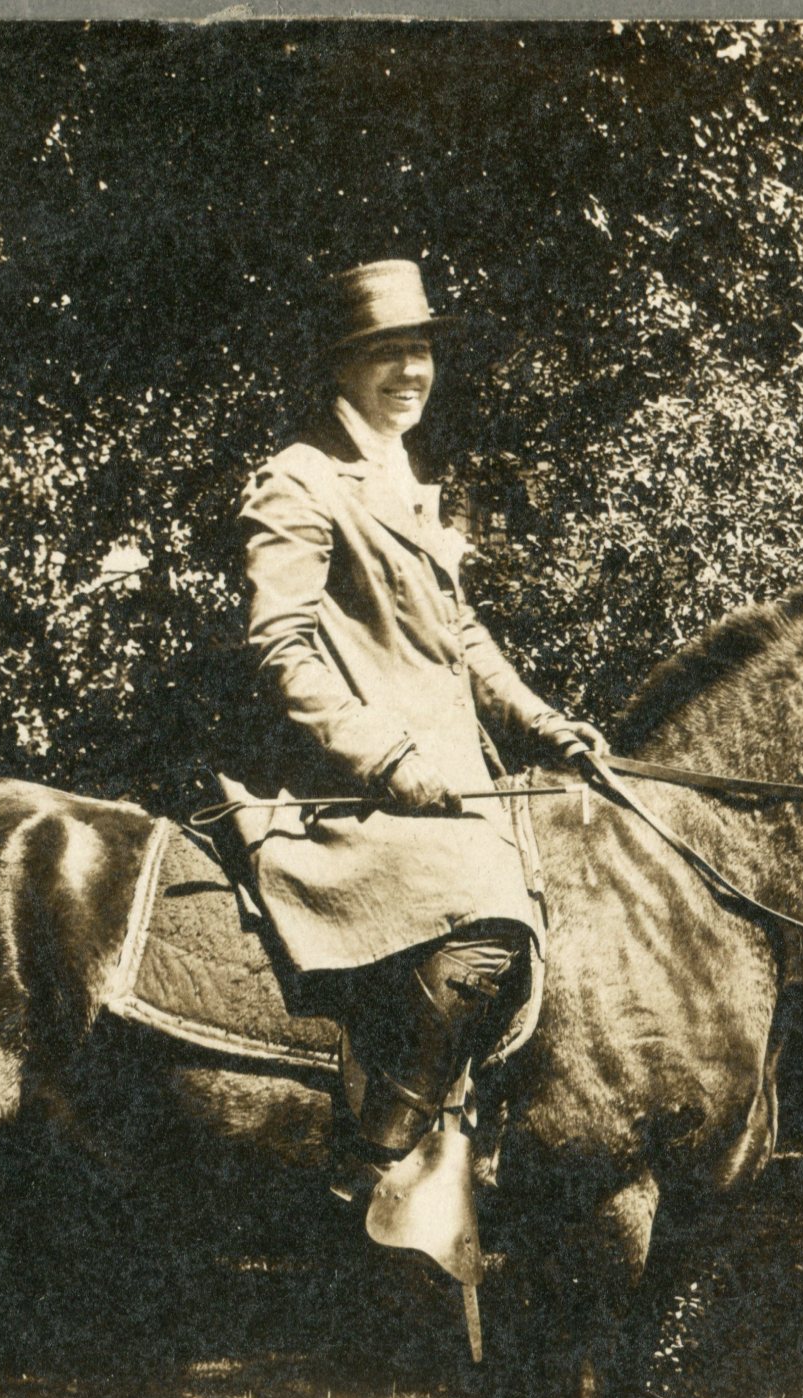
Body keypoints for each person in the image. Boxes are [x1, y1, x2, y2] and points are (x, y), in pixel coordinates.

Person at [223, 259, 603, 1206]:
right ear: (340, 367)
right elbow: (279, 650)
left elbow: (461, 638)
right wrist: (385, 756)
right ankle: (374, 1161)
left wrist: (546, 725)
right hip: (345, 792)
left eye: (421, 349)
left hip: (448, 784)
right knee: (489, 919)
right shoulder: (301, 480)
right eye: (385, 352)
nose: (410, 371)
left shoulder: (404, 480)